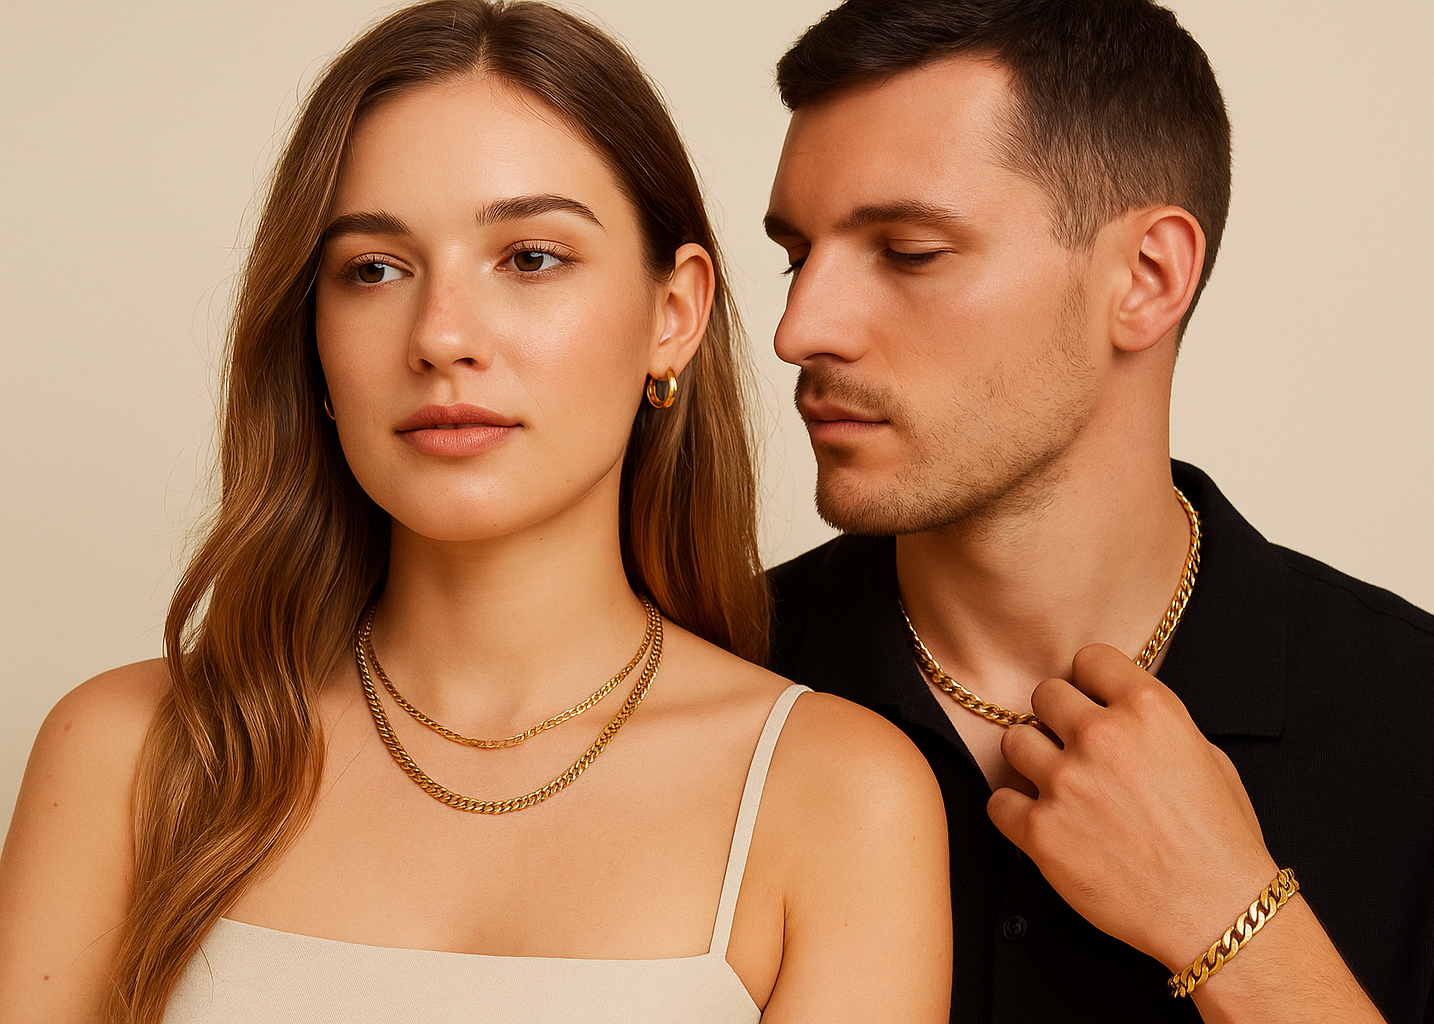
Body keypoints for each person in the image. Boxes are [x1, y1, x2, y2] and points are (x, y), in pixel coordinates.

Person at [0, 3, 952, 1022]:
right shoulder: (125, 754)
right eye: (373, 269)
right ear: (313, 334)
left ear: (673, 315)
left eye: (530, 257)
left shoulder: (835, 798)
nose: (441, 336)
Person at [762, 1, 1434, 1022]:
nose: (800, 328)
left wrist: (1235, 921)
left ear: (1147, 278)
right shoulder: (690, 677)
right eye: (796, 256)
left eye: (909, 252)